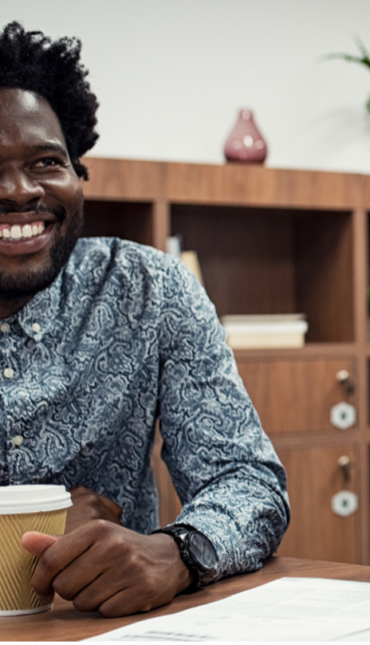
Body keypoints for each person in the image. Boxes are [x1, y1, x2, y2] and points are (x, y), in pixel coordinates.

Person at [0, 22, 289, 617]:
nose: (19, 190)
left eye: (46, 161)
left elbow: (247, 480)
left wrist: (177, 552)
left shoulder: (148, 290)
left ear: (78, 174)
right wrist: (27, 527)